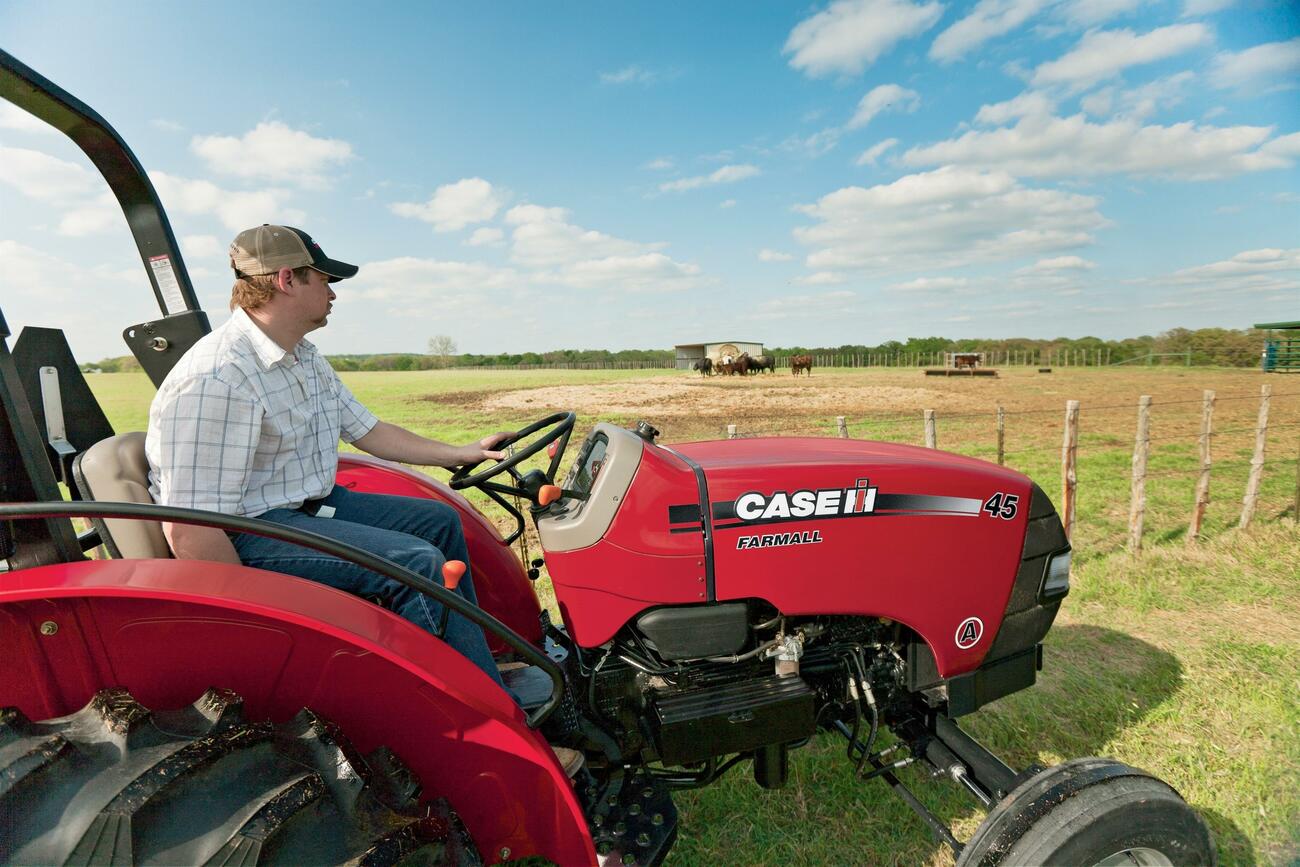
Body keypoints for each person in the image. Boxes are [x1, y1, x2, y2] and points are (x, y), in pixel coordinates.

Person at [145, 224, 512, 689]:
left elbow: (368, 430)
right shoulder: (217, 376)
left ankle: (475, 658)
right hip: (245, 532)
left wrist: (460, 453)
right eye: (324, 280)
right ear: (287, 280)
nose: (333, 294)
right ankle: (471, 707)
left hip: (306, 507)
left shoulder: (303, 356)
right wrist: (251, 622)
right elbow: (191, 526)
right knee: (416, 562)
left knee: (439, 522)